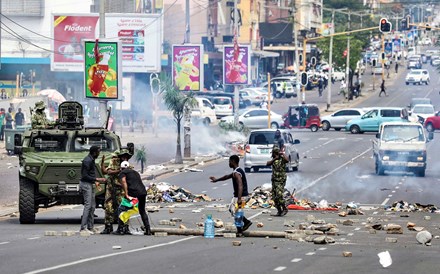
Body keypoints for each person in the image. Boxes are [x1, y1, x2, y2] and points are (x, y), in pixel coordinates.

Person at [209, 155, 252, 237]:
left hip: (241, 197)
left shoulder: (237, 173)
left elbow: (240, 185)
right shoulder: (236, 171)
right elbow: (226, 177)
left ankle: (240, 231)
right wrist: (216, 180)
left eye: (229, 161)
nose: (229, 163)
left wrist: (239, 198)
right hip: (240, 196)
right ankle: (246, 222)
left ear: (233, 162)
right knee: (232, 209)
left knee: (238, 213)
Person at [114, 160, 151, 236]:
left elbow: (124, 182)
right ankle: (148, 229)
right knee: (142, 210)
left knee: (121, 209)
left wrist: (126, 194)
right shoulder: (135, 172)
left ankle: (120, 229)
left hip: (133, 194)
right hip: (142, 192)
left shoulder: (122, 173)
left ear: (121, 168)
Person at [80, 146, 107, 234]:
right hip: (86, 184)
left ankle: (90, 227)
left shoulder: (91, 160)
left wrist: (95, 181)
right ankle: (83, 228)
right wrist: (97, 179)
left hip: (90, 184)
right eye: (98, 152)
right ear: (94, 152)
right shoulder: (87, 161)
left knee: (92, 206)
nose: (99, 153)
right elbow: (85, 176)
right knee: (88, 206)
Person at [100, 151, 125, 234]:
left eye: (115, 157)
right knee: (108, 207)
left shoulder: (126, 165)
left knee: (122, 208)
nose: (114, 159)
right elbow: (106, 171)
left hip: (120, 190)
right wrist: (102, 162)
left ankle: (123, 227)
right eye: (113, 157)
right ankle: (108, 227)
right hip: (110, 189)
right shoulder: (113, 164)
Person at [266, 145, 289, 217]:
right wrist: (274, 159)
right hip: (274, 180)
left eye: (273, 153)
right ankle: (279, 210)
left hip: (281, 180)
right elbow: (267, 163)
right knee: (274, 196)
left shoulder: (282, 159)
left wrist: (282, 154)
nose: (271, 154)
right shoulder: (273, 159)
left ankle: (284, 208)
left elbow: (287, 160)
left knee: (279, 195)